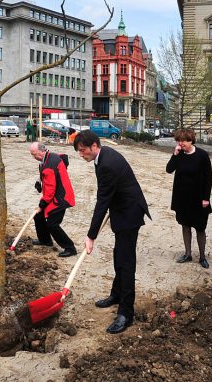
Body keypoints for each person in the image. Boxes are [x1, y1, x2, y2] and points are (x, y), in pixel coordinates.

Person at [73, 130, 151, 334]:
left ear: (94, 146)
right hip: (122, 209)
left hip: (129, 214)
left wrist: (91, 235)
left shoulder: (107, 164)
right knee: (118, 256)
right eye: (79, 151)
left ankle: (126, 313)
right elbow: (107, 196)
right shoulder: (103, 156)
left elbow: (102, 201)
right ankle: (116, 294)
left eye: (83, 150)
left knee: (126, 263)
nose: (81, 155)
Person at [166, 128, 212, 269]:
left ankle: (202, 257)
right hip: (182, 198)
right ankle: (187, 254)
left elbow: (208, 178)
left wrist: (206, 198)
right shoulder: (179, 154)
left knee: (200, 228)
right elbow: (169, 169)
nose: (180, 144)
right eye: (178, 141)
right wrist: (174, 155)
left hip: (198, 199)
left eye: (183, 141)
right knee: (185, 226)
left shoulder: (202, 155)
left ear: (190, 140)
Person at [28, 142, 77, 257]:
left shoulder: (50, 164)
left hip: (61, 198)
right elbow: (62, 159)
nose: (34, 157)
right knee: (38, 216)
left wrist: (41, 205)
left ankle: (70, 248)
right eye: (32, 155)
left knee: (52, 224)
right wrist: (39, 181)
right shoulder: (48, 158)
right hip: (55, 195)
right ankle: (45, 240)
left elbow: (49, 192)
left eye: (35, 154)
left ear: (43, 150)